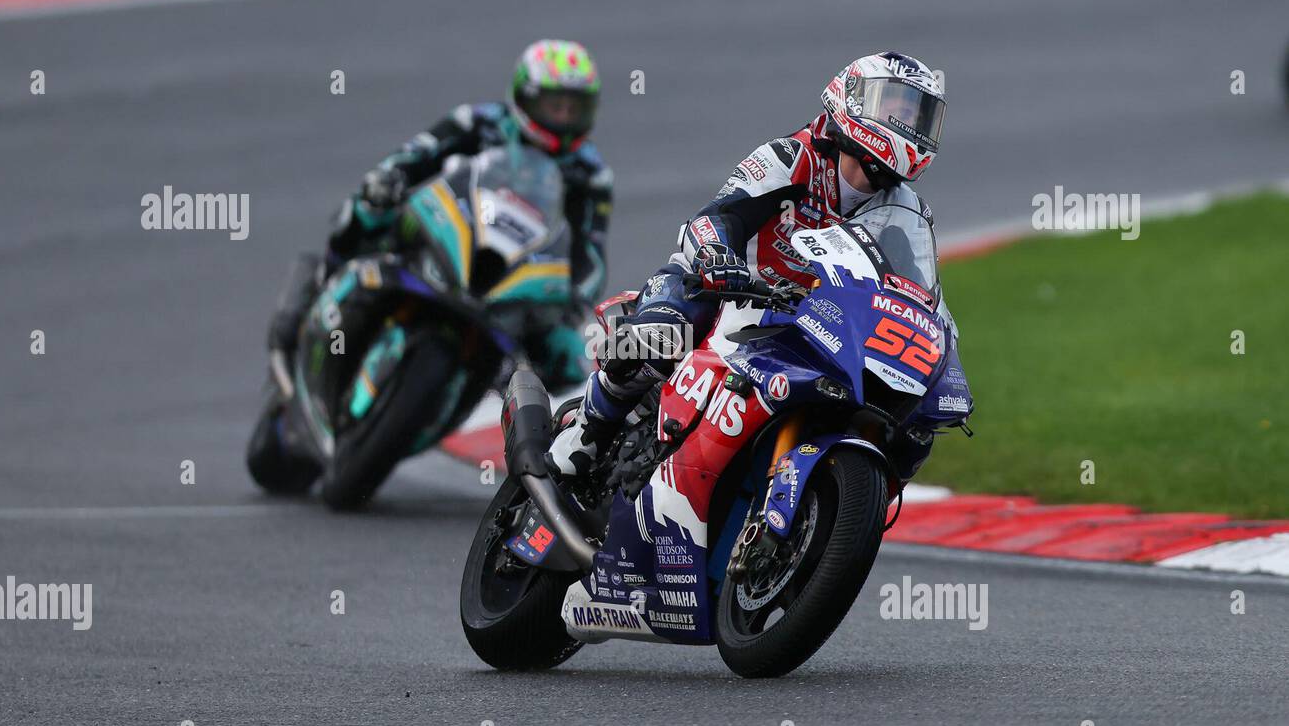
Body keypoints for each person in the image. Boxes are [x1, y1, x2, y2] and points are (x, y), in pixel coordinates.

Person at [548, 51, 950, 482]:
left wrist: (940, 335)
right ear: (853, 98)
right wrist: (718, 257)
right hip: (727, 290)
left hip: (810, 320)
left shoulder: (906, 210)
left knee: (913, 424)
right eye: (897, 108)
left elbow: (918, 290)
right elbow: (718, 216)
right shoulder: (792, 157)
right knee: (659, 336)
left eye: (918, 115)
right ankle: (588, 428)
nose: (908, 123)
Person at [268, 39, 612, 390]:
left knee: (570, 360)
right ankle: (317, 287)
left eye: (575, 109)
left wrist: (572, 301)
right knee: (368, 209)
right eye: (555, 106)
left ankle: (528, 429)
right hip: (448, 228)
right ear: (526, 98)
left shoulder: (590, 173)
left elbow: (591, 253)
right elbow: (414, 156)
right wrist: (388, 181)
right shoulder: (479, 122)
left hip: (515, 271)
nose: (565, 118)